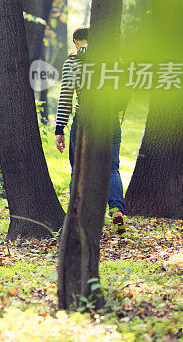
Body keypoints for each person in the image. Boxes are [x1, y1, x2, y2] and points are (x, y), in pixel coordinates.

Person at [54, 26, 126, 233]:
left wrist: (60, 128)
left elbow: (66, 96)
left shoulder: (73, 61)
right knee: (112, 168)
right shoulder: (112, 60)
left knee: (78, 169)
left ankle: (77, 215)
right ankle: (116, 209)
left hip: (84, 118)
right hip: (109, 118)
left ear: (77, 42)